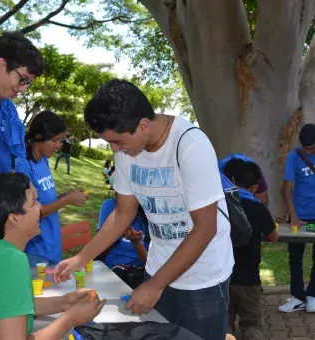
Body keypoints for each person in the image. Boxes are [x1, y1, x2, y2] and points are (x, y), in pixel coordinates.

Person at [54, 79, 234, 340]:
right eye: (110, 143)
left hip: (202, 280)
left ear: (143, 125)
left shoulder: (190, 145)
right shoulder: (126, 153)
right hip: (158, 270)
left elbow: (205, 228)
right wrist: (82, 258)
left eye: (117, 142)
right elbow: (123, 213)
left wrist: (155, 285)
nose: (115, 150)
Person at [0, 172, 105, 340]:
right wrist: (70, 319)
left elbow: (6, 306)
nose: (41, 207)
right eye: (33, 202)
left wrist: (62, 303)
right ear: (14, 219)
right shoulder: (10, 261)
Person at [15, 111, 87, 267]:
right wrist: (67, 200)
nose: (59, 145)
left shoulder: (43, 160)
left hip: (52, 245)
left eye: (61, 140)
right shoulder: (23, 165)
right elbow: (29, 213)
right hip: (35, 250)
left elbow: (44, 200)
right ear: (39, 137)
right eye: (54, 140)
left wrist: (66, 196)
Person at [0, 32, 44, 182]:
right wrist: (0, 190)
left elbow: (14, 160)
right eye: (22, 79)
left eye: (28, 83)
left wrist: (23, 185)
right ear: (1, 65)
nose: (24, 89)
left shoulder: (9, 113)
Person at [223, 159, 278, 340]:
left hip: (225, 277)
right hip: (250, 279)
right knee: (252, 325)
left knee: (225, 325)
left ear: (232, 180)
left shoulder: (222, 204)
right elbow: (273, 236)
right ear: (255, 186)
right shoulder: (258, 208)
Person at [279, 124, 315, 313]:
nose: (307, 151)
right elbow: (287, 189)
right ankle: (298, 297)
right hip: (299, 215)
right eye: (305, 147)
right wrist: (293, 214)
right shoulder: (294, 156)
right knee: (295, 257)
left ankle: (313, 296)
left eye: (311, 148)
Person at [96, 198, 149, 289]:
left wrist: (136, 242)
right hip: (110, 268)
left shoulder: (150, 214)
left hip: (138, 274)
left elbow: (147, 260)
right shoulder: (110, 205)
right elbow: (100, 245)